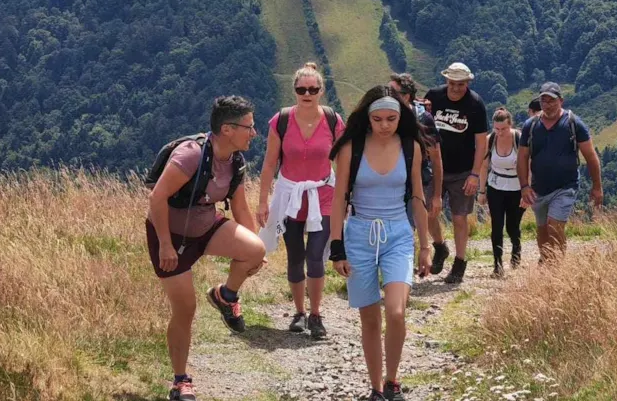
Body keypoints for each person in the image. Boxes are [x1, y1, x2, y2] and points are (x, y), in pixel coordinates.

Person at [145, 96, 267, 401]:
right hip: (170, 236)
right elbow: (156, 199)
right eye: (249, 127)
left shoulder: (235, 160)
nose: (254, 133)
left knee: (254, 249)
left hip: (205, 228)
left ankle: (225, 296)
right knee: (185, 309)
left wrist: (255, 253)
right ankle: (180, 380)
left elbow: (238, 206)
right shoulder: (191, 155)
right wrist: (164, 245)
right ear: (227, 129)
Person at [329, 86, 432, 401]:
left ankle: (392, 380)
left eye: (391, 118)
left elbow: (417, 197)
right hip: (359, 235)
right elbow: (338, 199)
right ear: (368, 119)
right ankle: (376, 388)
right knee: (370, 318)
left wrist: (425, 245)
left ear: (401, 118)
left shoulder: (411, 147)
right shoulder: (352, 148)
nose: (384, 125)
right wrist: (337, 247)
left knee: (396, 311)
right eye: (377, 119)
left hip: (398, 234)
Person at [257, 62, 345, 339]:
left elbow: (343, 161)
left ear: (321, 91)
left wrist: (347, 195)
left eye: (313, 89)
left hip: (324, 194)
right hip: (290, 194)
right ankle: (299, 312)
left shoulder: (333, 120)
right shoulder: (280, 121)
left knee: (315, 255)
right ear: (294, 90)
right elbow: (270, 163)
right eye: (301, 89)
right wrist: (262, 201)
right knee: (295, 255)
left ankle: (316, 313)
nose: (307, 93)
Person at [517, 82, 603, 263]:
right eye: (543, 101)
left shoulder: (574, 124)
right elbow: (522, 157)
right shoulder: (530, 126)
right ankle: (547, 262)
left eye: (552, 101)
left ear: (561, 101)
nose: (547, 105)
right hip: (538, 188)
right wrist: (524, 186)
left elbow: (591, 156)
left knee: (554, 226)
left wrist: (597, 187)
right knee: (542, 229)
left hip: (566, 186)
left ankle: (558, 266)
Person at [423, 62, 489, 283]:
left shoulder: (476, 104)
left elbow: (481, 143)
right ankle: (440, 246)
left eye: (460, 84)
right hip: (435, 167)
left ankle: (460, 262)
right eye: (452, 83)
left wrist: (475, 174)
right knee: (428, 212)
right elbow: (421, 125)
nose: (456, 88)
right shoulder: (434, 97)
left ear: (467, 83)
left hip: (463, 170)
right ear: (446, 81)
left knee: (460, 218)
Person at [388, 73, 444, 237]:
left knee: (407, 231)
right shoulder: (384, 118)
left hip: (417, 183)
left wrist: (437, 196)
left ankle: (436, 248)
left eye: (392, 93)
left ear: (406, 96)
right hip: (390, 182)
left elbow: (436, 158)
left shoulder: (424, 119)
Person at [477, 107, 525, 277]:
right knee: (497, 227)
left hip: (517, 188)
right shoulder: (490, 140)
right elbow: (484, 166)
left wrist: (528, 190)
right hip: (495, 187)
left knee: (513, 226)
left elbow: (529, 165)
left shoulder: (519, 139)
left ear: (510, 125)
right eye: (497, 129)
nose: (500, 132)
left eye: (503, 129)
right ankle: (497, 265)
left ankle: (516, 250)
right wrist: (481, 191)